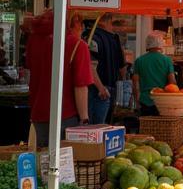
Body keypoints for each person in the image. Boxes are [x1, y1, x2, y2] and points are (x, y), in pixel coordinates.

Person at [27, 10, 93, 145]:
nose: (82, 28)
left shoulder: (33, 40)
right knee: (65, 162)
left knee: (43, 160)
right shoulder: (78, 45)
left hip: (38, 113)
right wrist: (84, 119)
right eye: (81, 24)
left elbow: (31, 71)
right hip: (66, 114)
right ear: (74, 22)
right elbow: (80, 86)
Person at [87, 13, 125, 124]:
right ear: (109, 21)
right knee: (105, 126)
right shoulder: (115, 39)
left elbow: (90, 65)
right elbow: (122, 68)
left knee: (95, 128)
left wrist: (100, 87)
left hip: (97, 88)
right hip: (105, 88)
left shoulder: (91, 37)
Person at [133, 32, 177, 116]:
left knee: (147, 126)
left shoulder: (139, 60)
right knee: (160, 127)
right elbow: (172, 82)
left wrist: (137, 102)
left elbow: (135, 83)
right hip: (162, 101)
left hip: (144, 101)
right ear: (160, 44)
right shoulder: (167, 60)